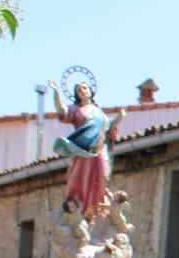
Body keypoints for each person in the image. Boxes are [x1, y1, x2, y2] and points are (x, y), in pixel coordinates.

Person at [49, 79, 125, 219]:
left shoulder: (99, 113)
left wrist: (120, 117)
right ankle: (80, 209)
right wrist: (56, 93)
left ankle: (97, 209)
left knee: (103, 175)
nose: (82, 91)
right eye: (79, 90)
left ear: (90, 91)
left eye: (84, 88)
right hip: (83, 151)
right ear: (76, 95)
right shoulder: (76, 110)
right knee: (81, 178)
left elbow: (108, 126)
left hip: (99, 149)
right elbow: (61, 110)